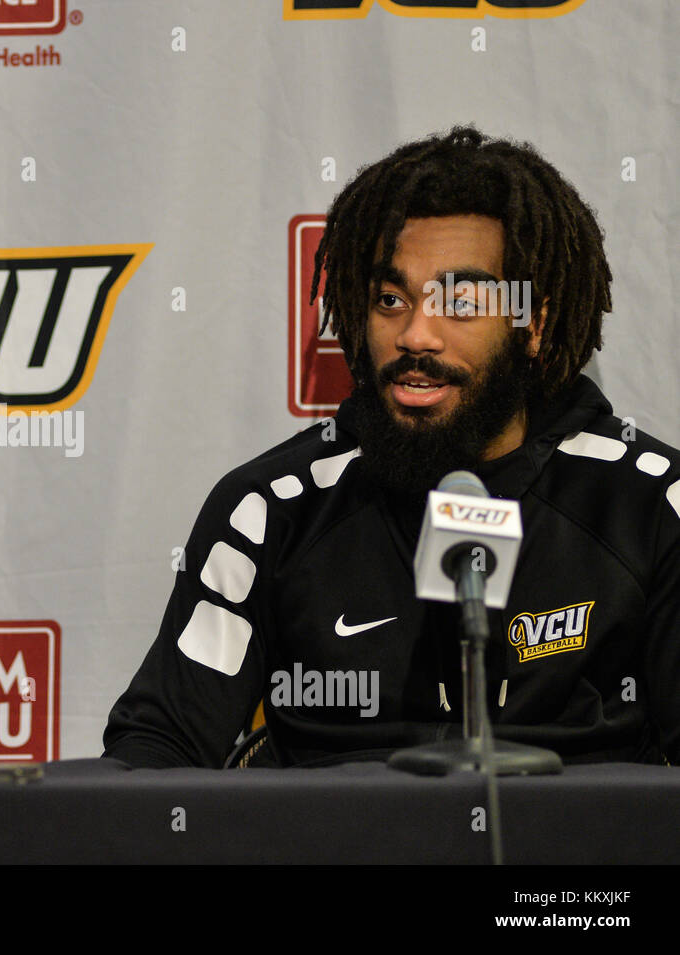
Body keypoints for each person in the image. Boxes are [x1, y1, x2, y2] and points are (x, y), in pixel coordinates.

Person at [104, 126, 680, 769]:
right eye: (390, 299)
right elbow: (156, 751)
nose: (415, 335)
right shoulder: (271, 510)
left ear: (533, 326)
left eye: (460, 302)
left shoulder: (650, 507)